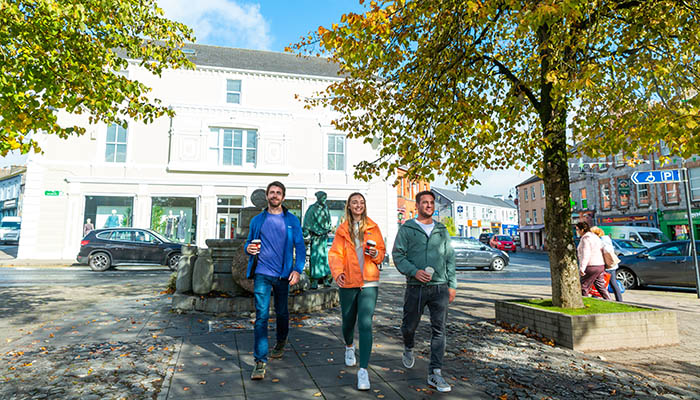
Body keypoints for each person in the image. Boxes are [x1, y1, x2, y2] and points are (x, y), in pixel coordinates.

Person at [392, 190, 456, 393]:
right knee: (409, 326)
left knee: (439, 330)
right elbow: (398, 255)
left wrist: (452, 284)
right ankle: (408, 346)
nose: (429, 206)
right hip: (416, 288)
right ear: (418, 206)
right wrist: (414, 272)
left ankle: (435, 373)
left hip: (440, 287)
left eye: (431, 203)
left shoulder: (441, 230)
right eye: (425, 202)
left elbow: (449, 258)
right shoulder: (407, 229)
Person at [244, 181, 305, 380]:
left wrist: (297, 270)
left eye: (278, 193)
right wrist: (248, 249)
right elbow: (248, 242)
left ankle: (280, 341)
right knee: (261, 316)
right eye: (272, 192)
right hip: (262, 273)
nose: (275, 195)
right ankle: (260, 361)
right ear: (267, 196)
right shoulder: (257, 220)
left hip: (283, 275)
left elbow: (300, 247)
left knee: (282, 312)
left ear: (283, 197)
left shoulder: (292, 221)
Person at [328, 192, 385, 391]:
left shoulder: (373, 227)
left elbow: (381, 253)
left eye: (361, 202)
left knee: (366, 323)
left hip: (369, 281)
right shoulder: (342, 230)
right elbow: (335, 254)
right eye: (355, 202)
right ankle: (349, 346)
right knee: (348, 320)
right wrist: (337, 273)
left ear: (364, 205)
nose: (358, 205)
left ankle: (363, 371)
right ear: (349, 206)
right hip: (348, 281)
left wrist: (376, 254)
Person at [303, 191, 333, 289]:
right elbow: (307, 220)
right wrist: (306, 230)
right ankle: (314, 281)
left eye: (325, 198)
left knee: (324, 259)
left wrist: (328, 228)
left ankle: (325, 279)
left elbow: (329, 220)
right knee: (315, 258)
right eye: (323, 198)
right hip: (316, 237)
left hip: (323, 237)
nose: (324, 200)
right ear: (318, 198)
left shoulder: (326, 208)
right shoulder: (312, 208)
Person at [575, 222, 612, 300]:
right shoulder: (595, 237)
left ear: (582, 230)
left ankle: (584, 302)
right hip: (600, 265)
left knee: (583, 286)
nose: (576, 232)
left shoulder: (586, 238)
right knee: (600, 286)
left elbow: (586, 253)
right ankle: (610, 301)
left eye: (577, 229)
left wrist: (582, 268)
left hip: (591, 266)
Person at [590, 226, 623, 301]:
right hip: (611, 265)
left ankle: (595, 298)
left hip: (605, 265)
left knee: (599, 283)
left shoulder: (601, 241)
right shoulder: (606, 239)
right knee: (612, 283)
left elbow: (603, 252)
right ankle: (619, 300)